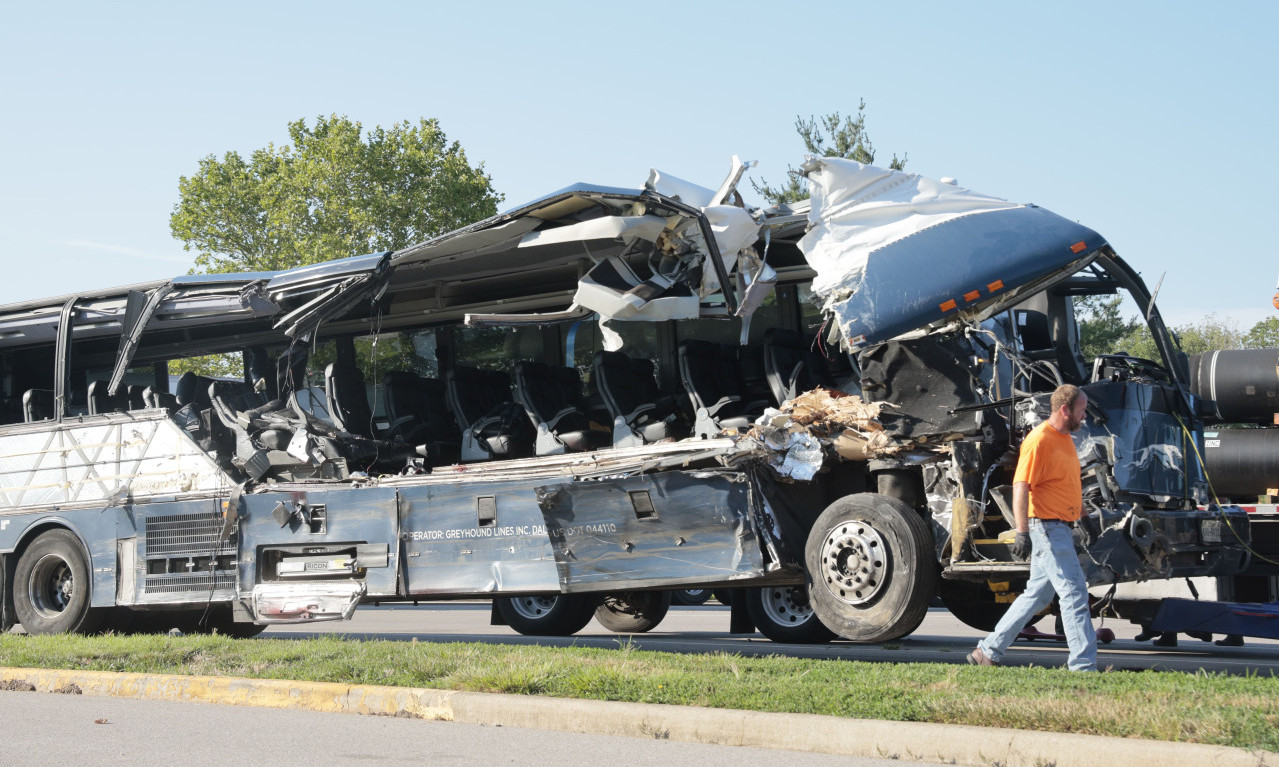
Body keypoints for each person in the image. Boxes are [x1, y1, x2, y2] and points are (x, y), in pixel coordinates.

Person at [968, 383, 1098, 671]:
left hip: (1061, 525)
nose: (1085, 416)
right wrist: (1023, 531)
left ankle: (987, 651)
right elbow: (1021, 485)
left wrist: (1085, 517)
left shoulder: (1065, 441)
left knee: (1038, 595)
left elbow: (1068, 487)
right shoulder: (1039, 440)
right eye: (1082, 410)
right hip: (1047, 528)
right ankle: (1083, 667)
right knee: (1074, 592)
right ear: (1065, 409)